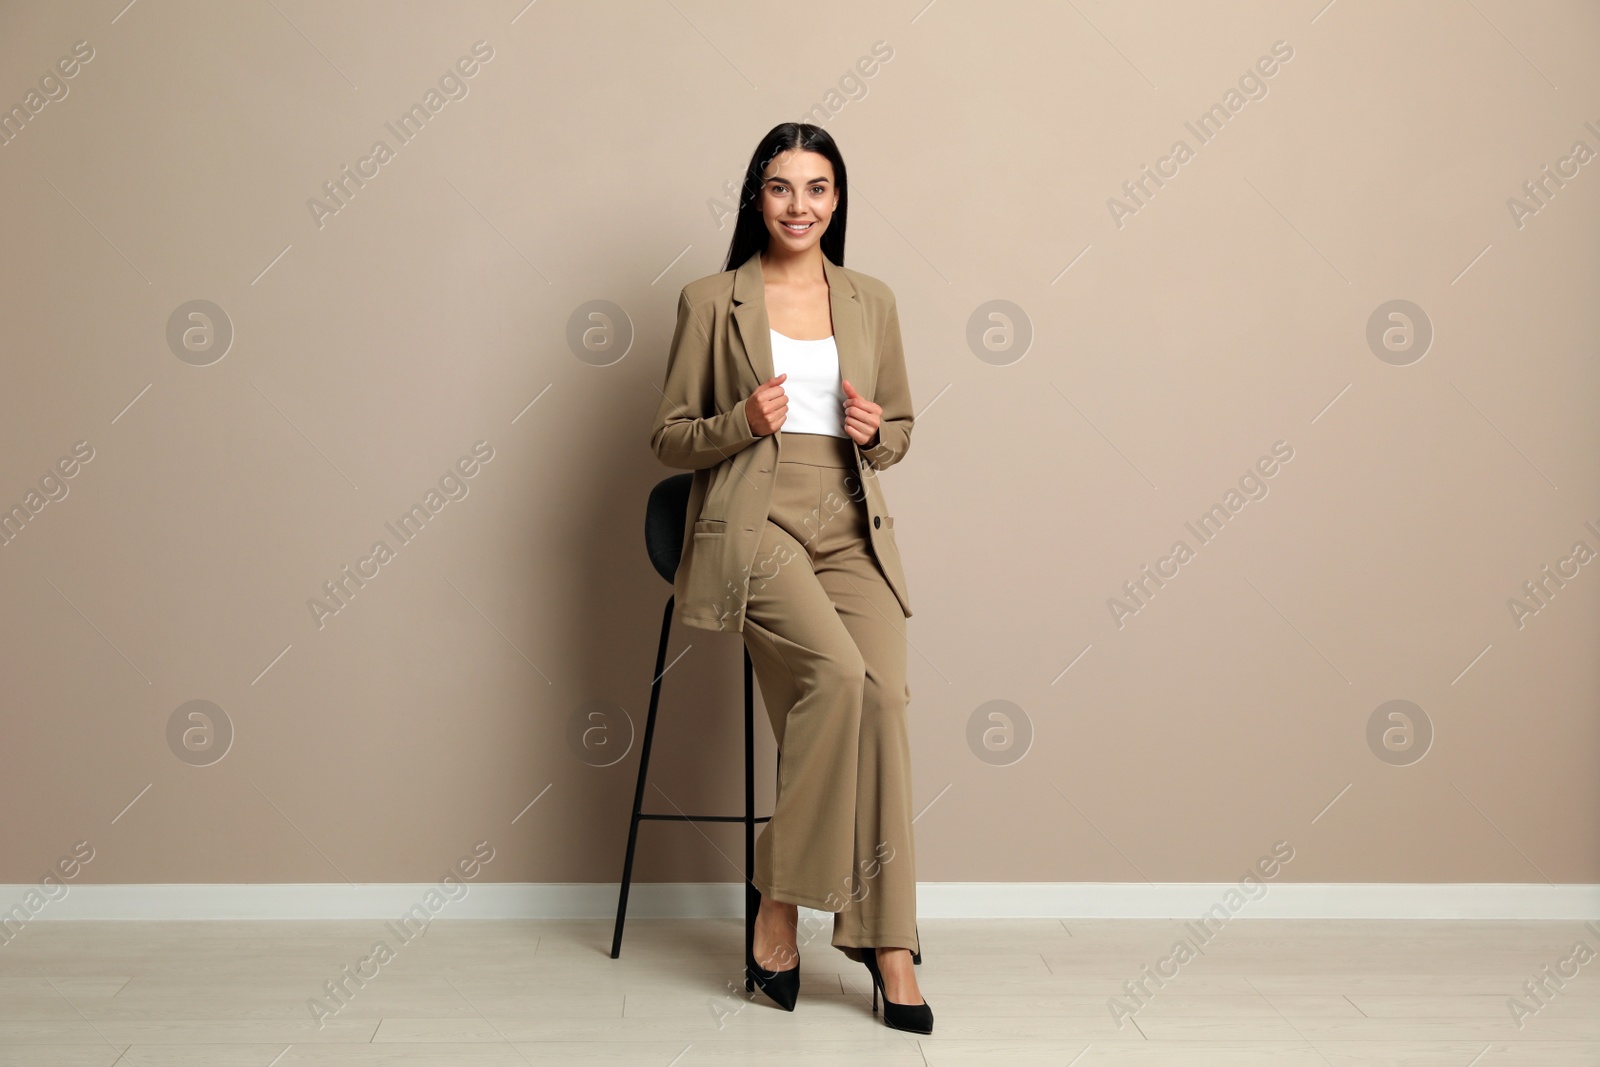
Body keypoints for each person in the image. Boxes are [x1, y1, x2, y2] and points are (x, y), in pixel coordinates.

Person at [648, 122, 930, 1034]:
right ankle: (780, 904)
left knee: (883, 697)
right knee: (838, 678)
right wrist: (741, 418)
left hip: (849, 520)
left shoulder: (872, 299)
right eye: (780, 188)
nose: (798, 206)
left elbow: (902, 433)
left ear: (837, 200)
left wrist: (873, 429)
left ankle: (889, 941)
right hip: (753, 515)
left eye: (815, 188)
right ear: (756, 199)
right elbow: (667, 437)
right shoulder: (711, 300)